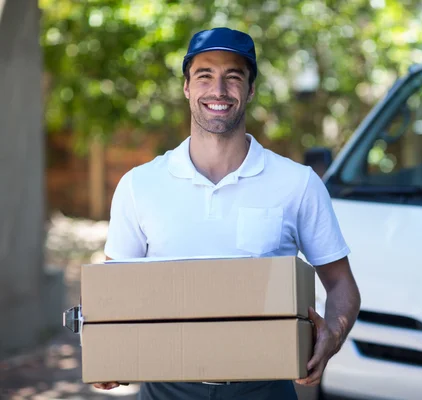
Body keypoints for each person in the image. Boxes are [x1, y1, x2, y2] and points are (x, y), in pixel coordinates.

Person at [93, 27, 361, 400]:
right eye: (204, 75)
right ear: (187, 87)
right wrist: (110, 351)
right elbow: (116, 292)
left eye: (233, 77)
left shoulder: (297, 184)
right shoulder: (140, 185)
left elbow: (342, 284)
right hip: (165, 389)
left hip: (265, 388)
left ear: (250, 90)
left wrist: (332, 335)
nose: (218, 90)